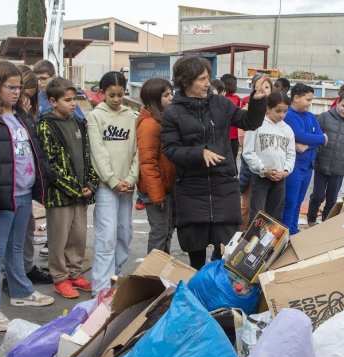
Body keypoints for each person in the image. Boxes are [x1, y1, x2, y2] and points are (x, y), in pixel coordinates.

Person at [0, 60, 55, 332]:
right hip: (1, 195)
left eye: (19, 87)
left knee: (17, 247)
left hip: (24, 192)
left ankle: (21, 291)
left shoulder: (20, 116)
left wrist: (42, 178)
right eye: (11, 87)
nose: (17, 92)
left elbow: (34, 150)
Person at [161, 55, 268, 270]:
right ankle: (199, 288)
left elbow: (249, 122)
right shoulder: (173, 112)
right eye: (201, 79)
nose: (207, 83)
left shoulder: (220, 103)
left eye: (208, 77)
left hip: (223, 185)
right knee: (196, 252)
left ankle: (220, 291)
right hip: (191, 188)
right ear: (186, 80)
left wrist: (257, 100)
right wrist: (199, 153)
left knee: (226, 248)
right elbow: (171, 149)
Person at [37, 78, 99, 299]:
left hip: (81, 194)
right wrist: (73, 187)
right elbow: (51, 164)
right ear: (53, 101)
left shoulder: (78, 122)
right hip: (60, 195)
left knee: (78, 236)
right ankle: (60, 278)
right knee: (59, 238)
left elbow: (87, 155)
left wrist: (90, 184)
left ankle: (75, 273)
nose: (73, 104)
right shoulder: (46, 125)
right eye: (67, 100)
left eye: (75, 99)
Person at [0, 65, 52, 293]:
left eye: (29, 96)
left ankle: (24, 269)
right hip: (6, 189)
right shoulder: (0, 115)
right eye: (23, 95)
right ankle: (9, 277)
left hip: (24, 186)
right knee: (6, 239)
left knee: (26, 230)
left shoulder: (25, 116)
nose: (26, 100)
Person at [87, 71, 139, 293]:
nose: (116, 99)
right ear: (102, 93)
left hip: (127, 185)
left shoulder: (131, 116)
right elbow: (97, 153)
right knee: (106, 236)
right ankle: (100, 287)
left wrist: (130, 178)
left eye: (120, 94)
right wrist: (111, 180)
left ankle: (115, 275)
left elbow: (138, 151)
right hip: (106, 186)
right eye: (111, 95)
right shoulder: (95, 117)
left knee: (124, 232)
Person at [307, 90, 344, 225]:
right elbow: (315, 138)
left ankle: (326, 222)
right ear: (337, 103)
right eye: (343, 106)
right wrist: (315, 156)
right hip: (321, 165)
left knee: (332, 199)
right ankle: (311, 219)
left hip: (339, 169)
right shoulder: (324, 117)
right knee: (317, 196)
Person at [136, 77, 176, 254]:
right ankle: (153, 275)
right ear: (154, 98)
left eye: (171, 93)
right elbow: (147, 162)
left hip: (167, 189)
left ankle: (162, 272)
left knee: (167, 231)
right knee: (159, 232)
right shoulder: (150, 124)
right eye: (166, 95)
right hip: (156, 192)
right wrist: (157, 194)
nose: (171, 97)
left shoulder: (162, 119)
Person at [241, 91, 295, 221]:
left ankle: (273, 241)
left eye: (285, 111)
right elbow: (248, 152)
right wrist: (263, 169)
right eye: (278, 111)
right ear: (268, 108)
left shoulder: (287, 129)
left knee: (275, 216)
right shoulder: (256, 125)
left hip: (279, 178)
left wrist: (286, 171)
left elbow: (291, 155)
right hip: (261, 177)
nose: (282, 115)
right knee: (257, 216)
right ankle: (254, 240)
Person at [281, 83, 327, 235]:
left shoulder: (309, 116)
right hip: (294, 167)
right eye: (307, 99)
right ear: (296, 98)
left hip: (307, 166)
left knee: (299, 202)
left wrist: (308, 145)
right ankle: (287, 233)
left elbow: (321, 137)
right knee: (290, 202)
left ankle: (293, 230)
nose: (310, 103)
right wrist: (317, 139)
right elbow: (301, 135)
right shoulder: (289, 116)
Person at [238, 73, 274, 230]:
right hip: (251, 164)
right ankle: (239, 235)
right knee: (246, 205)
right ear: (253, 89)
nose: (264, 90)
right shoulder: (248, 110)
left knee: (264, 206)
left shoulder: (276, 112)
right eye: (260, 87)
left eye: (267, 87)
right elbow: (241, 137)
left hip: (270, 167)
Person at [221, 73, 241, 164]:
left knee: (234, 157)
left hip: (234, 136)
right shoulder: (220, 98)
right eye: (235, 84)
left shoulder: (237, 98)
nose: (236, 87)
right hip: (224, 135)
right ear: (226, 86)